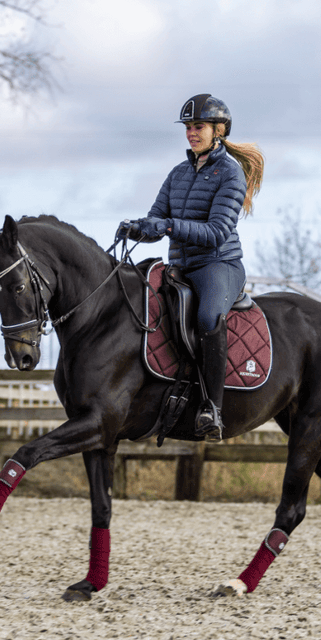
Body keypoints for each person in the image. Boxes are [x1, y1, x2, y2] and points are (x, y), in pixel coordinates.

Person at [117, 94, 264, 441]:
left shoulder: (230, 173)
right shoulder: (179, 173)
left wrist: (167, 226)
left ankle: (212, 408)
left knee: (208, 317)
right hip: (180, 266)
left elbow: (215, 233)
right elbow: (158, 217)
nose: (191, 132)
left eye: (198, 126)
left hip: (218, 265)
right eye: (188, 127)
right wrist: (138, 226)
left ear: (219, 130)